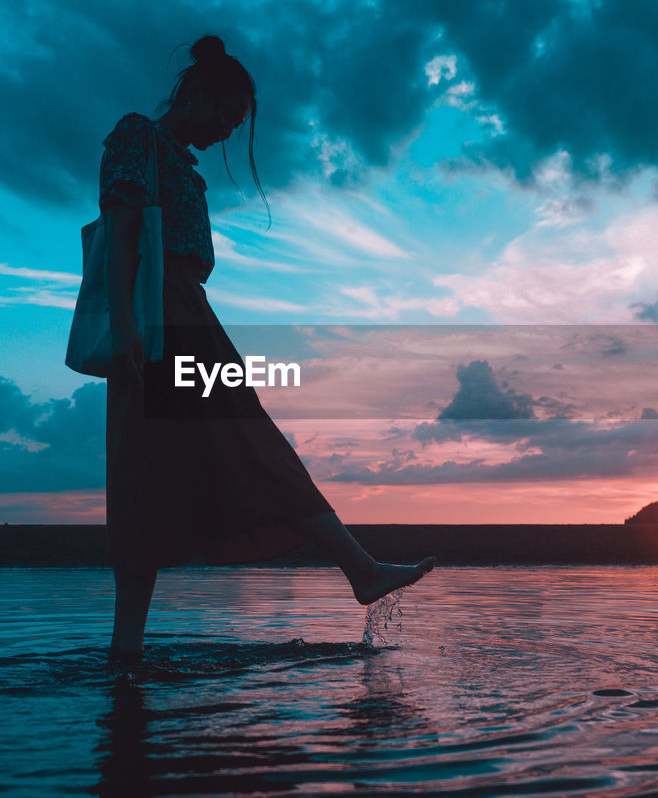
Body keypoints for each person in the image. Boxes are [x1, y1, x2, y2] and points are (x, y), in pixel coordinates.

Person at [100, 34, 436, 661]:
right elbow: (121, 238)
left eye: (236, 123)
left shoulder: (180, 163)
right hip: (158, 317)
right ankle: (358, 571)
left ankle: (126, 654)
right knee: (190, 461)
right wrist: (125, 325)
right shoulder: (137, 138)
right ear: (196, 93)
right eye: (226, 117)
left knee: (201, 458)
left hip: (186, 317)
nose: (227, 134)